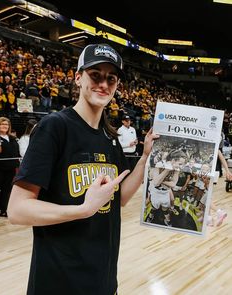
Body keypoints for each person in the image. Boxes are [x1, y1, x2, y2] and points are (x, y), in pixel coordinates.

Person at [8, 43, 159, 295]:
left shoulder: (109, 137)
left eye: (111, 78)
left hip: (103, 281)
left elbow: (119, 198)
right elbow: (17, 210)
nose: (104, 84)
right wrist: (84, 209)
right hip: (60, 282)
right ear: (78, 78)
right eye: (95, 75)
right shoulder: (54, 127)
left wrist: (144, 159)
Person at [0, 117, 20, 218]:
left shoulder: (13, 138)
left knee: (6, 190)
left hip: (10, 169)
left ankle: (4, 210)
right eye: (2, 124)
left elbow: (16, 153)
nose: (5, 126)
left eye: (7, 124)